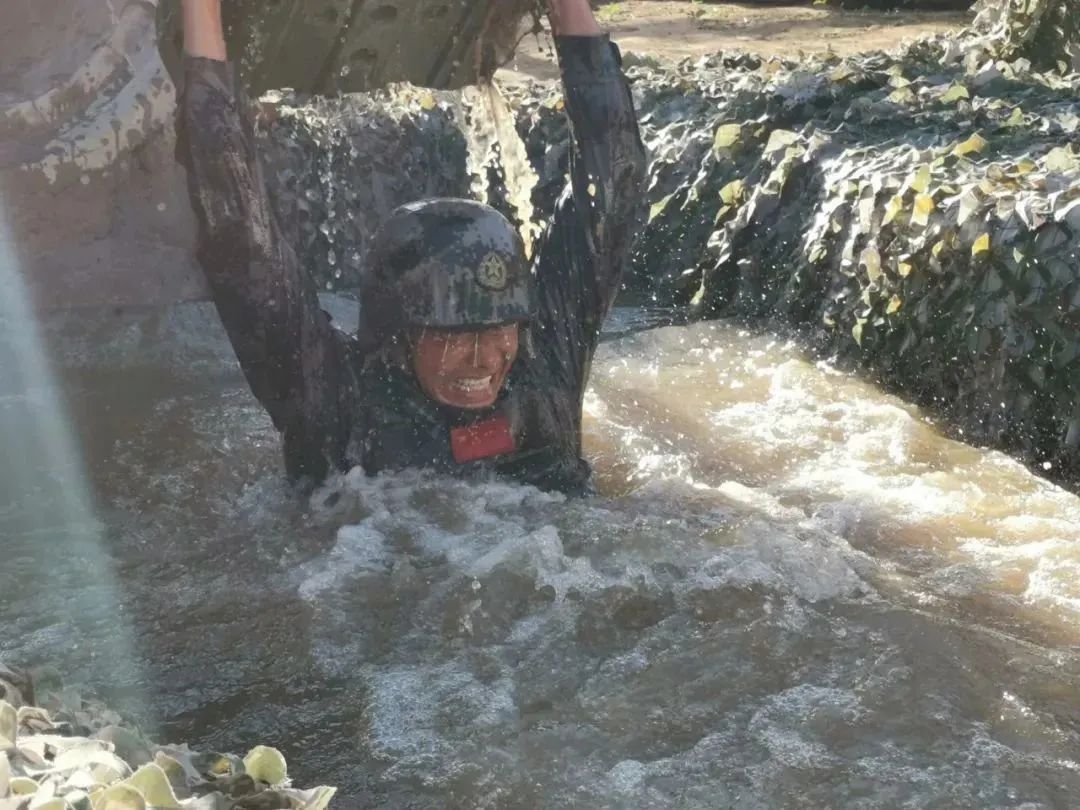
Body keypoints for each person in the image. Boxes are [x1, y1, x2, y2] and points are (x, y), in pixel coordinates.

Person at [177, 0, 646, 495]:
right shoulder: (332, 398)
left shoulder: (546, 365)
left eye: (499, 330)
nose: (485, 361)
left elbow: (614, 188)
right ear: (397, 338)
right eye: (457, 336)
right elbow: (240, 234)